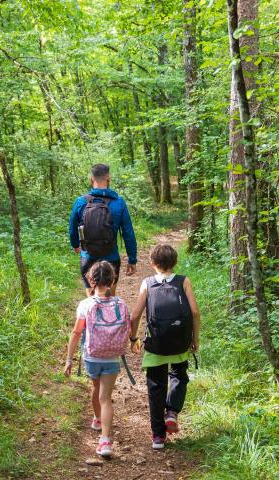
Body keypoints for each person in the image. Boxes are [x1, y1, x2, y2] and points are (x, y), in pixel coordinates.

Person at [130, 244, 201, 450]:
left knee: (155, 387)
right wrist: (195, 339)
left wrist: (133, 338)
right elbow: (195, 313)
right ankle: (172, 412)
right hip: (179, 341)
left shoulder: (147, 283)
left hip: (156, 344)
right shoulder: (183, 281)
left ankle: (158, 436)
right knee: (179, 375)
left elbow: (135, 315)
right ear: (175, 262)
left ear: (152, 263)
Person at [64, 261, 133, 457]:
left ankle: (97, 418)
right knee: (106, 398)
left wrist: (69, 360)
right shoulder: (121, 304)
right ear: (112, 280)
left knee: (96, 389)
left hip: (92, 356)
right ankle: (105, 441)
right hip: (112, 357)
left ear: (91, 280)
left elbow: (76, 333)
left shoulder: (86, 305)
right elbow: (127, 330)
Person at [69, 163, 137, 297]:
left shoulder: (81, 201)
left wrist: (75, 245)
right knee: (109, 297)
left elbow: (72, 228)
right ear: (108, 178)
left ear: (91, 178)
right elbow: (128, 234)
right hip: (111, 257)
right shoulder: (119, 202)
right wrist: (132, 259)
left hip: (88, 256)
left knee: (91, 300)